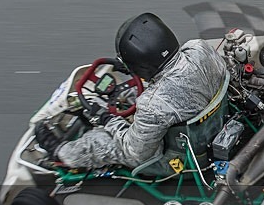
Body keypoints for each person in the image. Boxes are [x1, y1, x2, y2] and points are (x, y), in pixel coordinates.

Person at [35, 13, 227, 169]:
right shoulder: (199, 48)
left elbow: (135, 152)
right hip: (216, 120)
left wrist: (107, 119)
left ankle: (62, 151)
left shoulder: (153, 105)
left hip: (182, 158)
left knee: (101, 141)